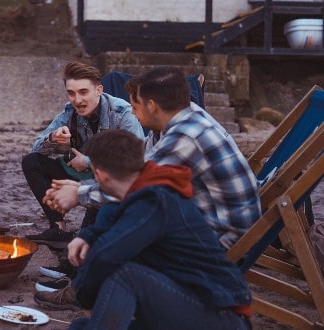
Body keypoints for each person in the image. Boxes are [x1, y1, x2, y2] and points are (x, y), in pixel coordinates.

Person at [35, 129, 252, 329]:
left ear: (99, 175)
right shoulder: (144, 190)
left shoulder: (155, 199)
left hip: (220, 315)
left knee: (124, 273)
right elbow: (118, 222)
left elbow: (108, 254)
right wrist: (87, 236)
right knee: (79, 327)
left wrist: (84, 296)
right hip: (182, 301)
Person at [44, 66, 260, 249]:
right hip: (203, 215)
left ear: (152, 106)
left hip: (223, 237)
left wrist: (78, 194)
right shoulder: (177, 118)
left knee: (124, 222)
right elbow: (139, 168)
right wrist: (83, 186)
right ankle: (82, 276)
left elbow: (136, 186)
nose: (132, 114)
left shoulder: (185, 136)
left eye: (135, 107)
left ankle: (86, 285)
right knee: (114, 213)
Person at [22, 61, 144, 249]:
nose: (77, 100)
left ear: (98, 90)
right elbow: (36, 148)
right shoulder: (69, 111)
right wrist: (54, 138)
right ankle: (58, 228)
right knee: (32, 162)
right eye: (71, 93)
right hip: (81, 175)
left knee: (88, 237)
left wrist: (87, 161)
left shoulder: (122, 113)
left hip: (111, 180)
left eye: (83, 92)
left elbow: (136, 160)